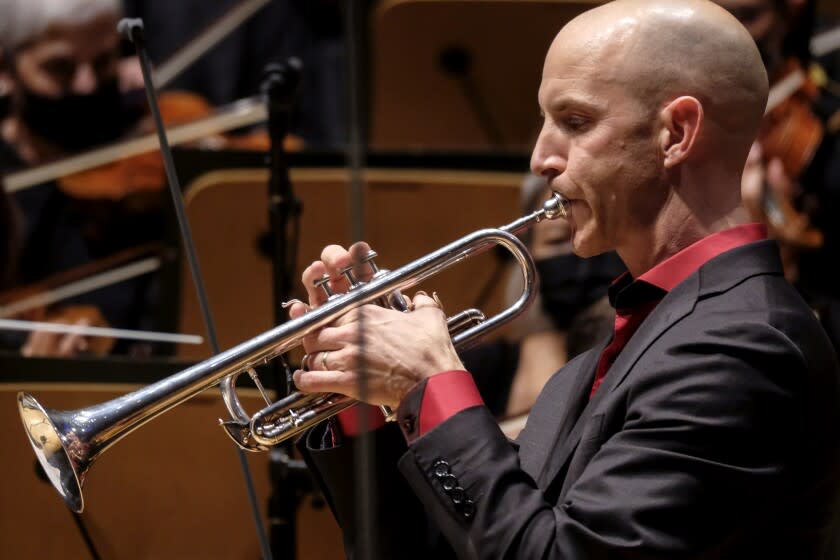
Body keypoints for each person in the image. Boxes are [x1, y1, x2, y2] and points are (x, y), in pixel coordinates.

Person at [287, 0, 840, 557]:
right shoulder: (606, 359)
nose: (540, 158)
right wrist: (361, 395)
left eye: (575, 122)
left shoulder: (744, 346)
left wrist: (429, 382)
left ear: (676, 131)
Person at [0, 0, 163, 356]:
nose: (87, 86)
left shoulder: (149, 155)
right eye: (60, 67)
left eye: (103, 63)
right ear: (7, 66)